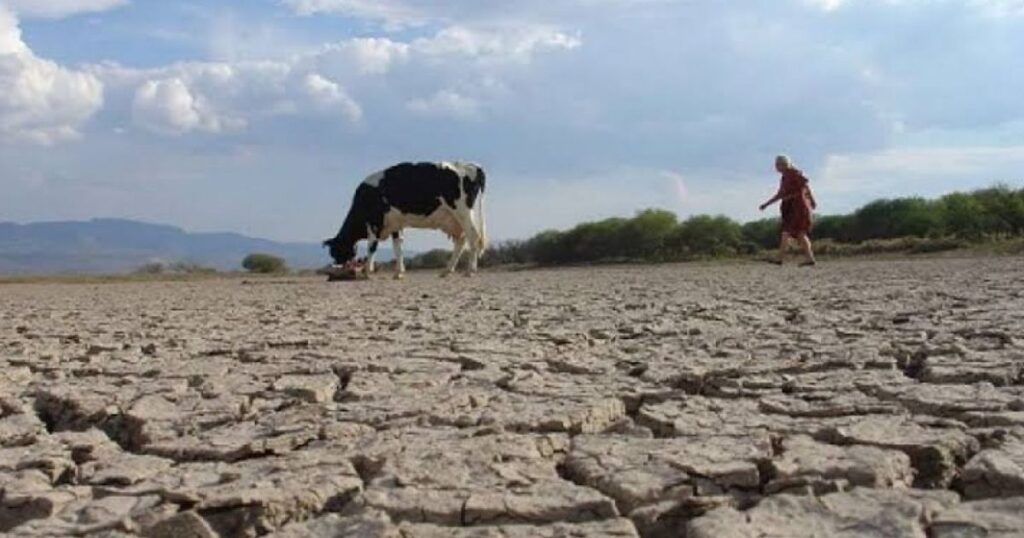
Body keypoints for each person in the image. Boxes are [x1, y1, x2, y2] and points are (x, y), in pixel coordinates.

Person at [759, 155, 817, 266]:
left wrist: (812, 200)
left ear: (783, 164)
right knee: (799, 234)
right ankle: (810, 259)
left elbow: (805, 186)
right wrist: (766, 204)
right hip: (791, 207)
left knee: (788, 232)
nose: (776, 166)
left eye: (777, 164)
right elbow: (780, 194)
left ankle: (779, 259)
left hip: (798, 206)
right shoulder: (785, 177)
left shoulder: (794, 173)